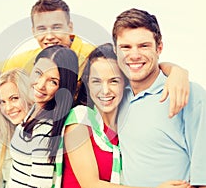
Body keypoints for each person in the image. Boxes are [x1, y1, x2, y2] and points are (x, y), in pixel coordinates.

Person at [0, 0, 189, 119]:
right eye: (41, 28)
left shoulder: (91, 54)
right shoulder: (32, 57)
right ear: (33, 31)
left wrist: (176, 72)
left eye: (57, 26)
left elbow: (134, 64)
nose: (49, 35)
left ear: (70, 27)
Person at [62, 44, 189, 188]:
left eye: (114, 81)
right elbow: (91, 184)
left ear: (125, 83)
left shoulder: (125, 122)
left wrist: (178, 72)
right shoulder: (80, 118)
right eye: (96, 81)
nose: (105, 91)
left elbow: (153, 68)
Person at [112, 8, 206, 187]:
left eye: (144, 46)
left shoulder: (190, 94)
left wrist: (178, 72)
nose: (134, 55)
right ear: (115, 51)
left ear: (159, 48)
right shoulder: (115, 97)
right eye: (125, 47)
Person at [8, 45, 78, 188]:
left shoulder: (45, 128)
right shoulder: (35, 109)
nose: (40, 85)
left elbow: (40, 185)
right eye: (38, 73)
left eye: (53, 81)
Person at [0, 69, 34, 188]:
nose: (8, 108)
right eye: (2, 102)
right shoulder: (2, 145)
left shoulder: (50, 134)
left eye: (14, 98)